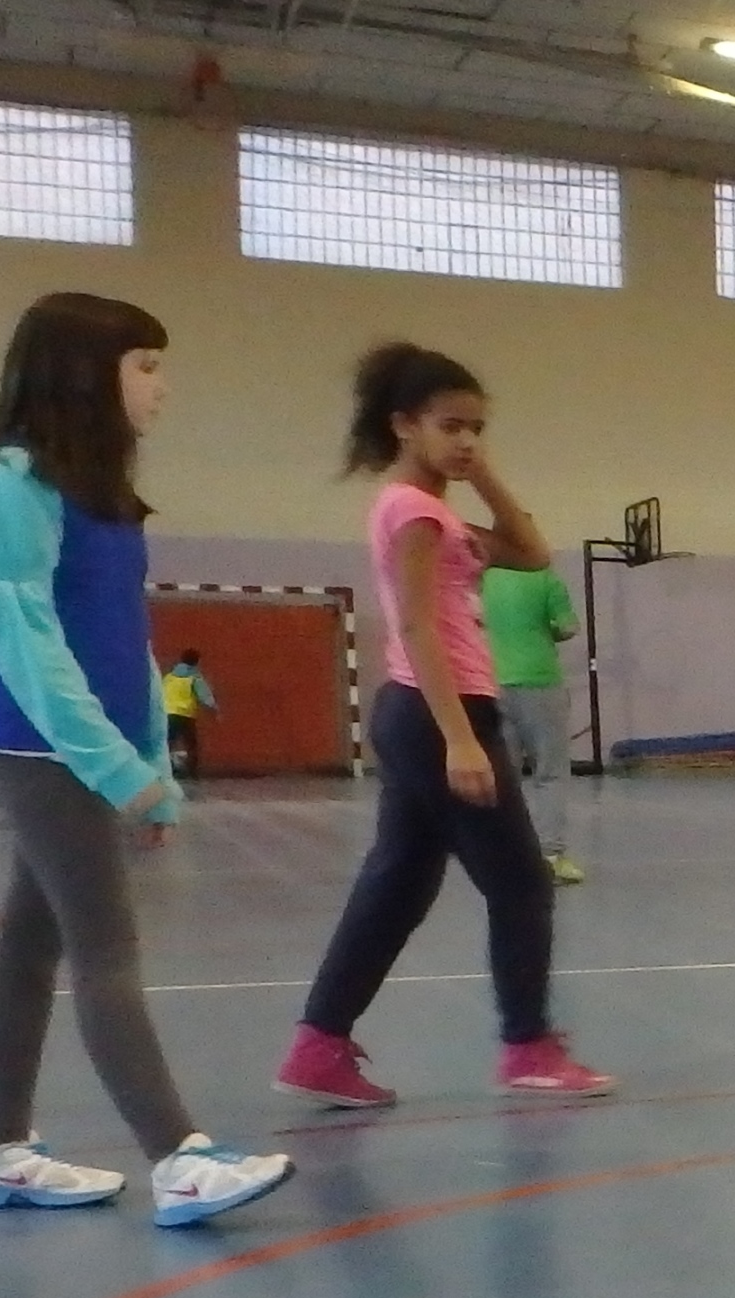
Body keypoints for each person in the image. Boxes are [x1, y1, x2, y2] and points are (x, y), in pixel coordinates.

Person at [0, 292, 292, 1225]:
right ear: (82, 374)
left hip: (75, 741)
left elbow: (122, 641)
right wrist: (111, 767)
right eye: (145, 365)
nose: (162, 387)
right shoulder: (4, 480)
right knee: (106, 943)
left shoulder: (98, 493)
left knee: (31, 942)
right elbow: (26, 641)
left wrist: (153, 768)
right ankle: (179, 1157)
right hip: (29, 736)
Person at [274, 343, 610, 1109]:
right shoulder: (415, 513)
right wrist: (460, 737)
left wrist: (480, 472)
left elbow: (529, 550)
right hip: (439, 710)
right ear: (403, 426)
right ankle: (527, 1045)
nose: (464, 441)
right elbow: (420, 627)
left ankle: (318, 1045)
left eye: (476, 429)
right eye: (450, 426)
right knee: (522, 882)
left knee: (398, 883)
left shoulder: (435, 512)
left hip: (422, 709)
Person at [482, 558, 585, 884]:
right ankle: (551, 856)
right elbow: (568, 626)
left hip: (492, 681)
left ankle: (502, 856)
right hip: (540, 682)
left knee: (503, 775)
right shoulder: (545, 579)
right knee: (550, 772)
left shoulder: (484, 579)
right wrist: (547, 630)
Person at [160, 648, 216, 782]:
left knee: (167, 744)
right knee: (191, 745)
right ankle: (192, 774)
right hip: (185, 715)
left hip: (168, 713)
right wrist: (214, 709)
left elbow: (159, 693)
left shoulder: (169, 677)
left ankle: (166, 771)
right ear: (196, 662)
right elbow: (205, 697)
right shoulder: (194, 678)